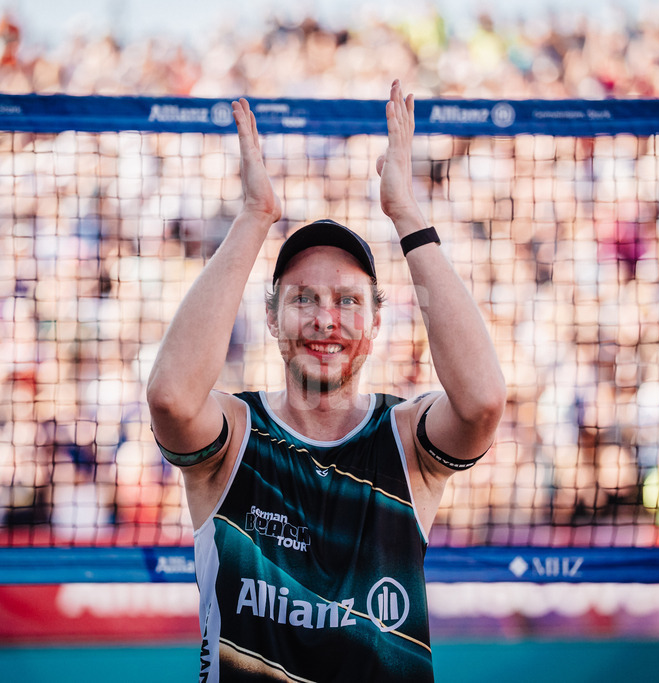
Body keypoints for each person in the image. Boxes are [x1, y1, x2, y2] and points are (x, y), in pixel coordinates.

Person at [146, 79, 505, 682]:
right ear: (270, 315)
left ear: (376, 319)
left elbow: (482, 402)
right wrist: (254, 218)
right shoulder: (236, 436)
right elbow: (170, 397)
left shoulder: (405, 438)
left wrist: (406, 213)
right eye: (303, 298)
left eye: (347, 300)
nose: (324, 319)